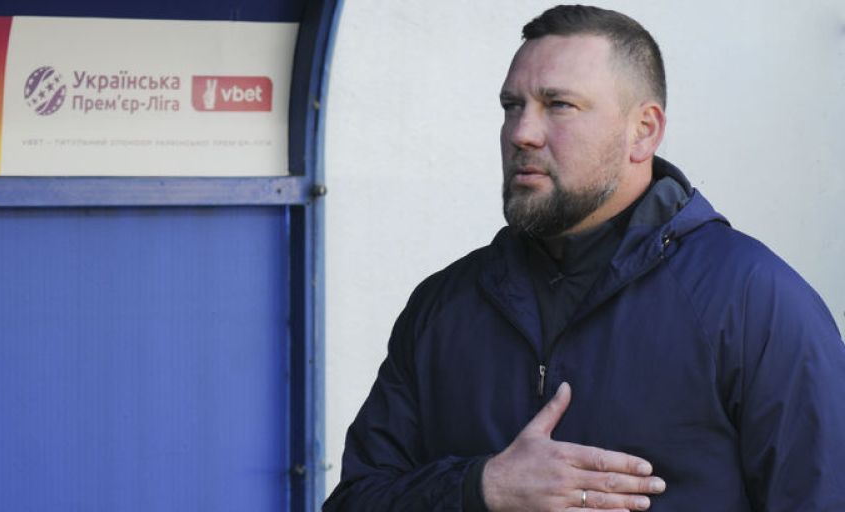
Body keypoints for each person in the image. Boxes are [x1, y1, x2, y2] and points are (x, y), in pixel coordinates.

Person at [324, 5, 845, 511]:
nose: (522, 132)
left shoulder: (754, 302)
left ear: (643, 131)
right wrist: (480, 488)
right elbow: (355, 499)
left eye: (558, 105)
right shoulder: (443, 306)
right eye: (512, 106)